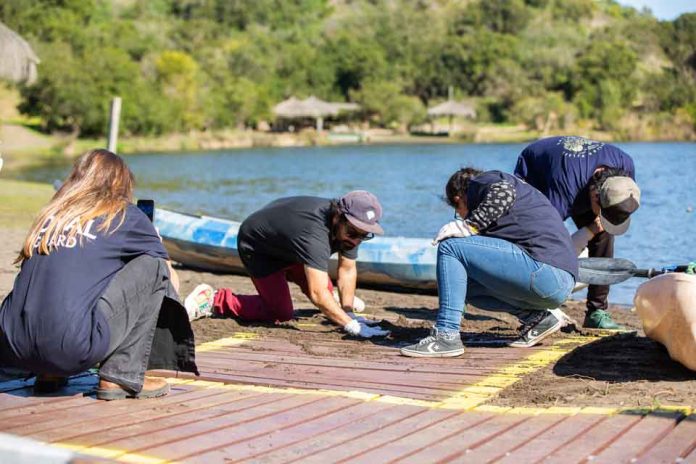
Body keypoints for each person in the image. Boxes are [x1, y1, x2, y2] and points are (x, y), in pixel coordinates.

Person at [0, 149, 197, 400]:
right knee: (154, 267)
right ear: (122, 183)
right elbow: (170, 280)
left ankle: (49, 374)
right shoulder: (123, 214)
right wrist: (155, 245)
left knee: (70, 279)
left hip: (12, 347)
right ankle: (121, 376)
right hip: (68, 348)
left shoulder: (51, 216)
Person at [401, 167, 578, 357]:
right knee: (465, 287)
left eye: (457, 211)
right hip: (558, 281)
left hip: (544, 271)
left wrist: (469, 225)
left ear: (459, 199)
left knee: (450, 247)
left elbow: (504, 191)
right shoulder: (517, 201)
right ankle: (538, 318)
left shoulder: (484, 181)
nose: (460, 216)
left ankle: (446, 335)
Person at [206, 191, 390, 338]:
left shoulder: (351, 231)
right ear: (337, 217)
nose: (356, 240)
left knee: (325, 289)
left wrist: (349, 312)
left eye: (364, 235)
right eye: (352, 232)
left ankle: (336, 304)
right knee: (280, 312)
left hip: (291, 245)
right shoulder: (313, 234)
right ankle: (213, 300)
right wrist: (351, 326)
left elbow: (347, 269)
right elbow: (317, 294)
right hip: (259, 246)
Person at [514, 136, 641, 330]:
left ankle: (596, 312)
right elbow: (545, 238)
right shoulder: (563, 189)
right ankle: (534, 305)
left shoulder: (626, 168)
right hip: (536, 170)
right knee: (541, 239)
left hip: (578, 175)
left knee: (604, 234)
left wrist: (597, 225)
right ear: (595, 196)